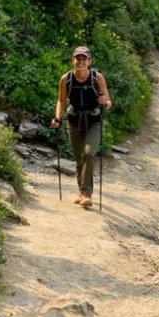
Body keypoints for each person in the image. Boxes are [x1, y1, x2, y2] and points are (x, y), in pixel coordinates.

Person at [51, 45, 111, 208]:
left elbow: (108, 100)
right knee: (79, 159)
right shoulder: (66, 79)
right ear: (73, 60)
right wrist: (57, 117)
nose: (81, 62)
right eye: (78, 58)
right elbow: (61, 100)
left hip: (94, 121)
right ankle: (81, 191)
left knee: (88, 153)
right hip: (74, 121)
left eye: (84, 59)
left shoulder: (97, 78)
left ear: (89, 61)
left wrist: (105, 103)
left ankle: (86, 193)